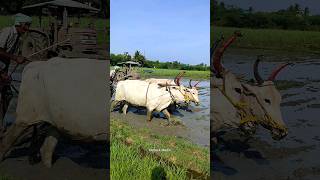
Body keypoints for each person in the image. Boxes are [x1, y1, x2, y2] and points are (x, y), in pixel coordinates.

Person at [0, 13, 31, 127]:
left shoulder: (18, 37)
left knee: (7, 95)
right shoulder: (7, 31)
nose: (28, 28)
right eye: (26, 25)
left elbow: (9, 56)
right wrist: (15, 58)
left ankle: (1, 125)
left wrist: (21, 58)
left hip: (3, 69)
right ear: (19, 24)